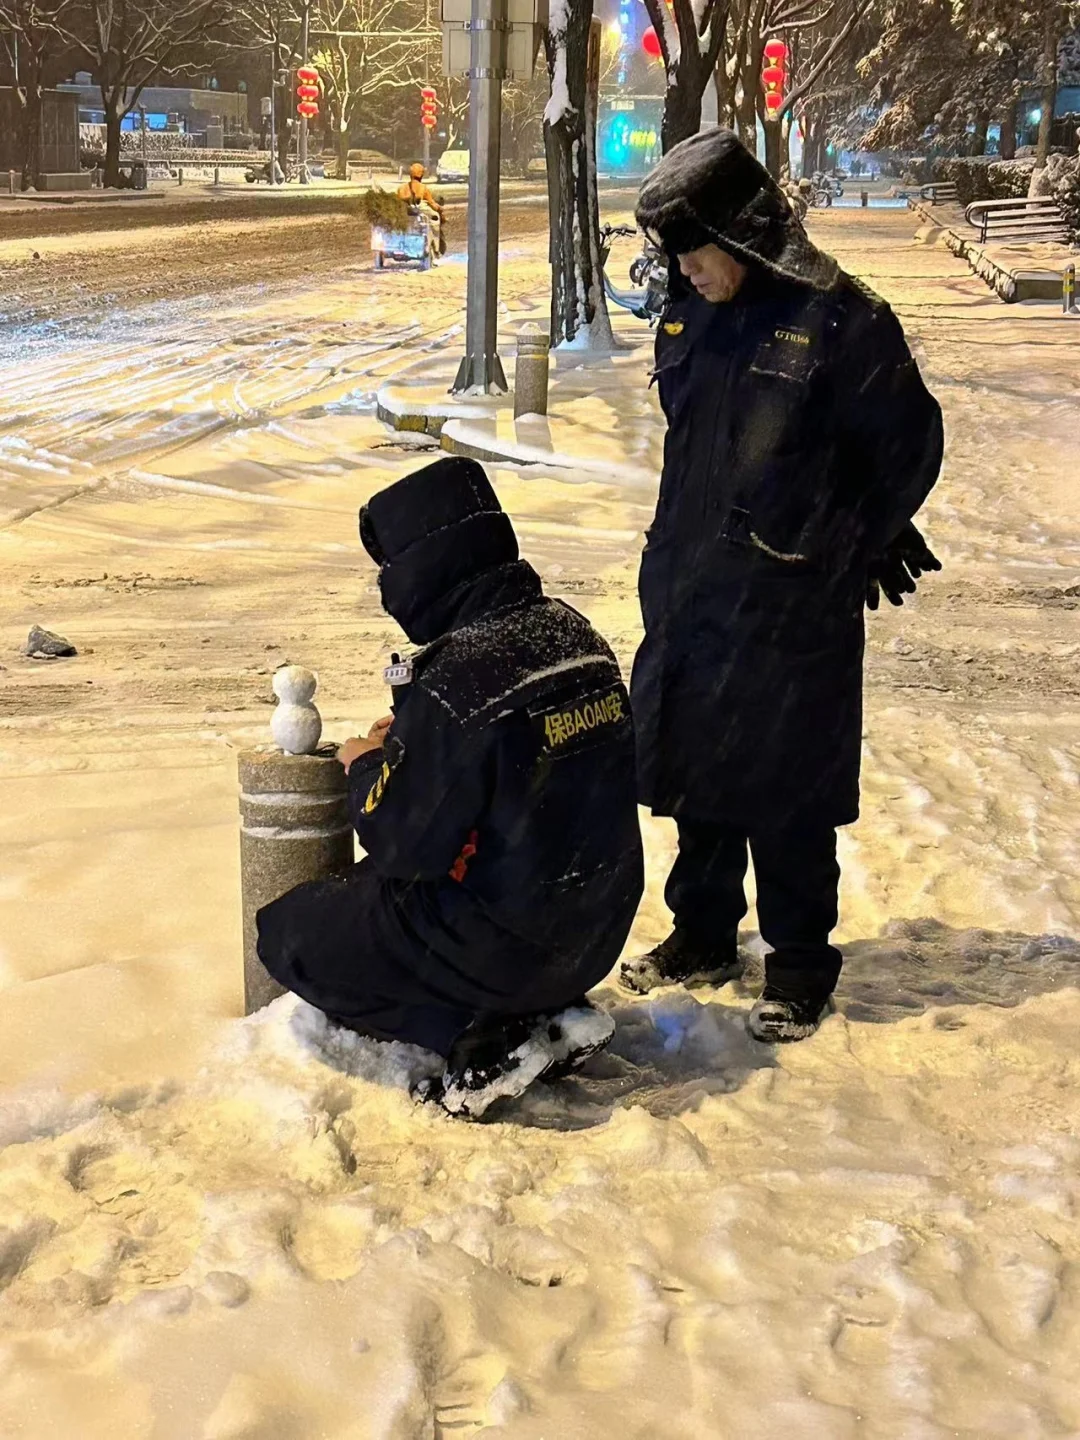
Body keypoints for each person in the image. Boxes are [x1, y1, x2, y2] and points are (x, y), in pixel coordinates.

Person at [622, 129, 944, 1042]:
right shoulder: (691, 313)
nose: (685, 272)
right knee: (697, 767)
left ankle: (799, 963)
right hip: (691, 582)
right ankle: (703, 933)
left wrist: (847, 537)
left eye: (696, 252)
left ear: (746, 232)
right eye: (675, 257)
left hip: (792, 603)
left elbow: (911, 446)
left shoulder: (843, 320)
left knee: (788, 786)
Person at [256, 457, 644, 1117]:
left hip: (507, 942)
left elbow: (403, 843)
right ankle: (549, 1009)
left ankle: (485, 1037)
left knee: (288, 932)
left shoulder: (462, 673)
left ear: (422, 566)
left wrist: (365, 764)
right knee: (381, 898)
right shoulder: (568, 630)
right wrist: (417, 737)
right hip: (597, 926)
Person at [397, 162, 445, 258]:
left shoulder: (401, 188)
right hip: (420, 213)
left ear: (410, 174)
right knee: (435, 219)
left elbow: (398, 201)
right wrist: (439, 209)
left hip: (405, 214)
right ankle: (436, 248)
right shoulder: (423, 188)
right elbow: (432, 204)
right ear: (421, 175)